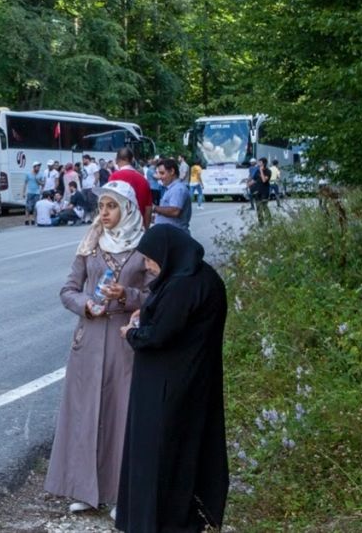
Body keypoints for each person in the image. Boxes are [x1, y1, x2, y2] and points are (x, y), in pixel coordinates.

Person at [46, 181, 150, 517]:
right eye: (101, 206)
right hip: (88, 339)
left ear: (127, 210)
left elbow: (156, 296)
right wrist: (86, 305)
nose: (104, 213)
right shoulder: (90, 243)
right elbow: (67, 290)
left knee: (121, 415)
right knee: (86, 414)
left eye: (111, 206)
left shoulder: (143, 247)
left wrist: (127, 296)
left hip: (124, 341)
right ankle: (85, 491)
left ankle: (122, 494)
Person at [116, 224, 229, 533]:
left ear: (168, 254)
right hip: (191, 380)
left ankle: (155, 522)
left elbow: (161, 335)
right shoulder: (200, 276)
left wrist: (132, 333)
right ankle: (183, 517)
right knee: (186, 450)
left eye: (151, 259)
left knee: (158, 454)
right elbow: (172, 316)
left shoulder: (183, 285)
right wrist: (147, 314)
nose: (149, 266)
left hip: (167, 385)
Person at [109, 147, 152, 228]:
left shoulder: (113, 177)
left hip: (120, 226)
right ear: (132, 160)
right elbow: (148, 208)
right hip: (138, 227)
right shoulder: (143, 179)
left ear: (116, 160)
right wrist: (146, 228)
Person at [153, 158, 192, 235]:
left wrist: (154, 208)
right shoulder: (171, 189)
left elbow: (174, 211)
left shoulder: (178, 189)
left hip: (175, 237)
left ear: (172, 171)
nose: (160, 177)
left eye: (162, 173)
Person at [23, 162, 45, 226]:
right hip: (29, 192)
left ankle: (33, 219)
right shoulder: (28, 174)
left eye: (39, 167)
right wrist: (23, 192)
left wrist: (41, 188)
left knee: (35, 207)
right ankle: (26, 219)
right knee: (28, 207)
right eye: (37, 167)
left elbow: (43, 184)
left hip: (37, 193)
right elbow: (25, 183)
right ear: (34, 167)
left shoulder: (41, 174)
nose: (38, 168)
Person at [252, 157, 272, 226]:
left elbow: (264, 180)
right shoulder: (257, 171)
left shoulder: (268, 171)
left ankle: (269, 222)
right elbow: (254, 180)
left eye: (259, 162)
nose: (258, 163)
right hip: (258, 191)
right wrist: (249, 183)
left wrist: (261, 171)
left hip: (265, 192)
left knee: (264, 207)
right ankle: (261, 223)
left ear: (263, 163)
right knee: (258, 208)